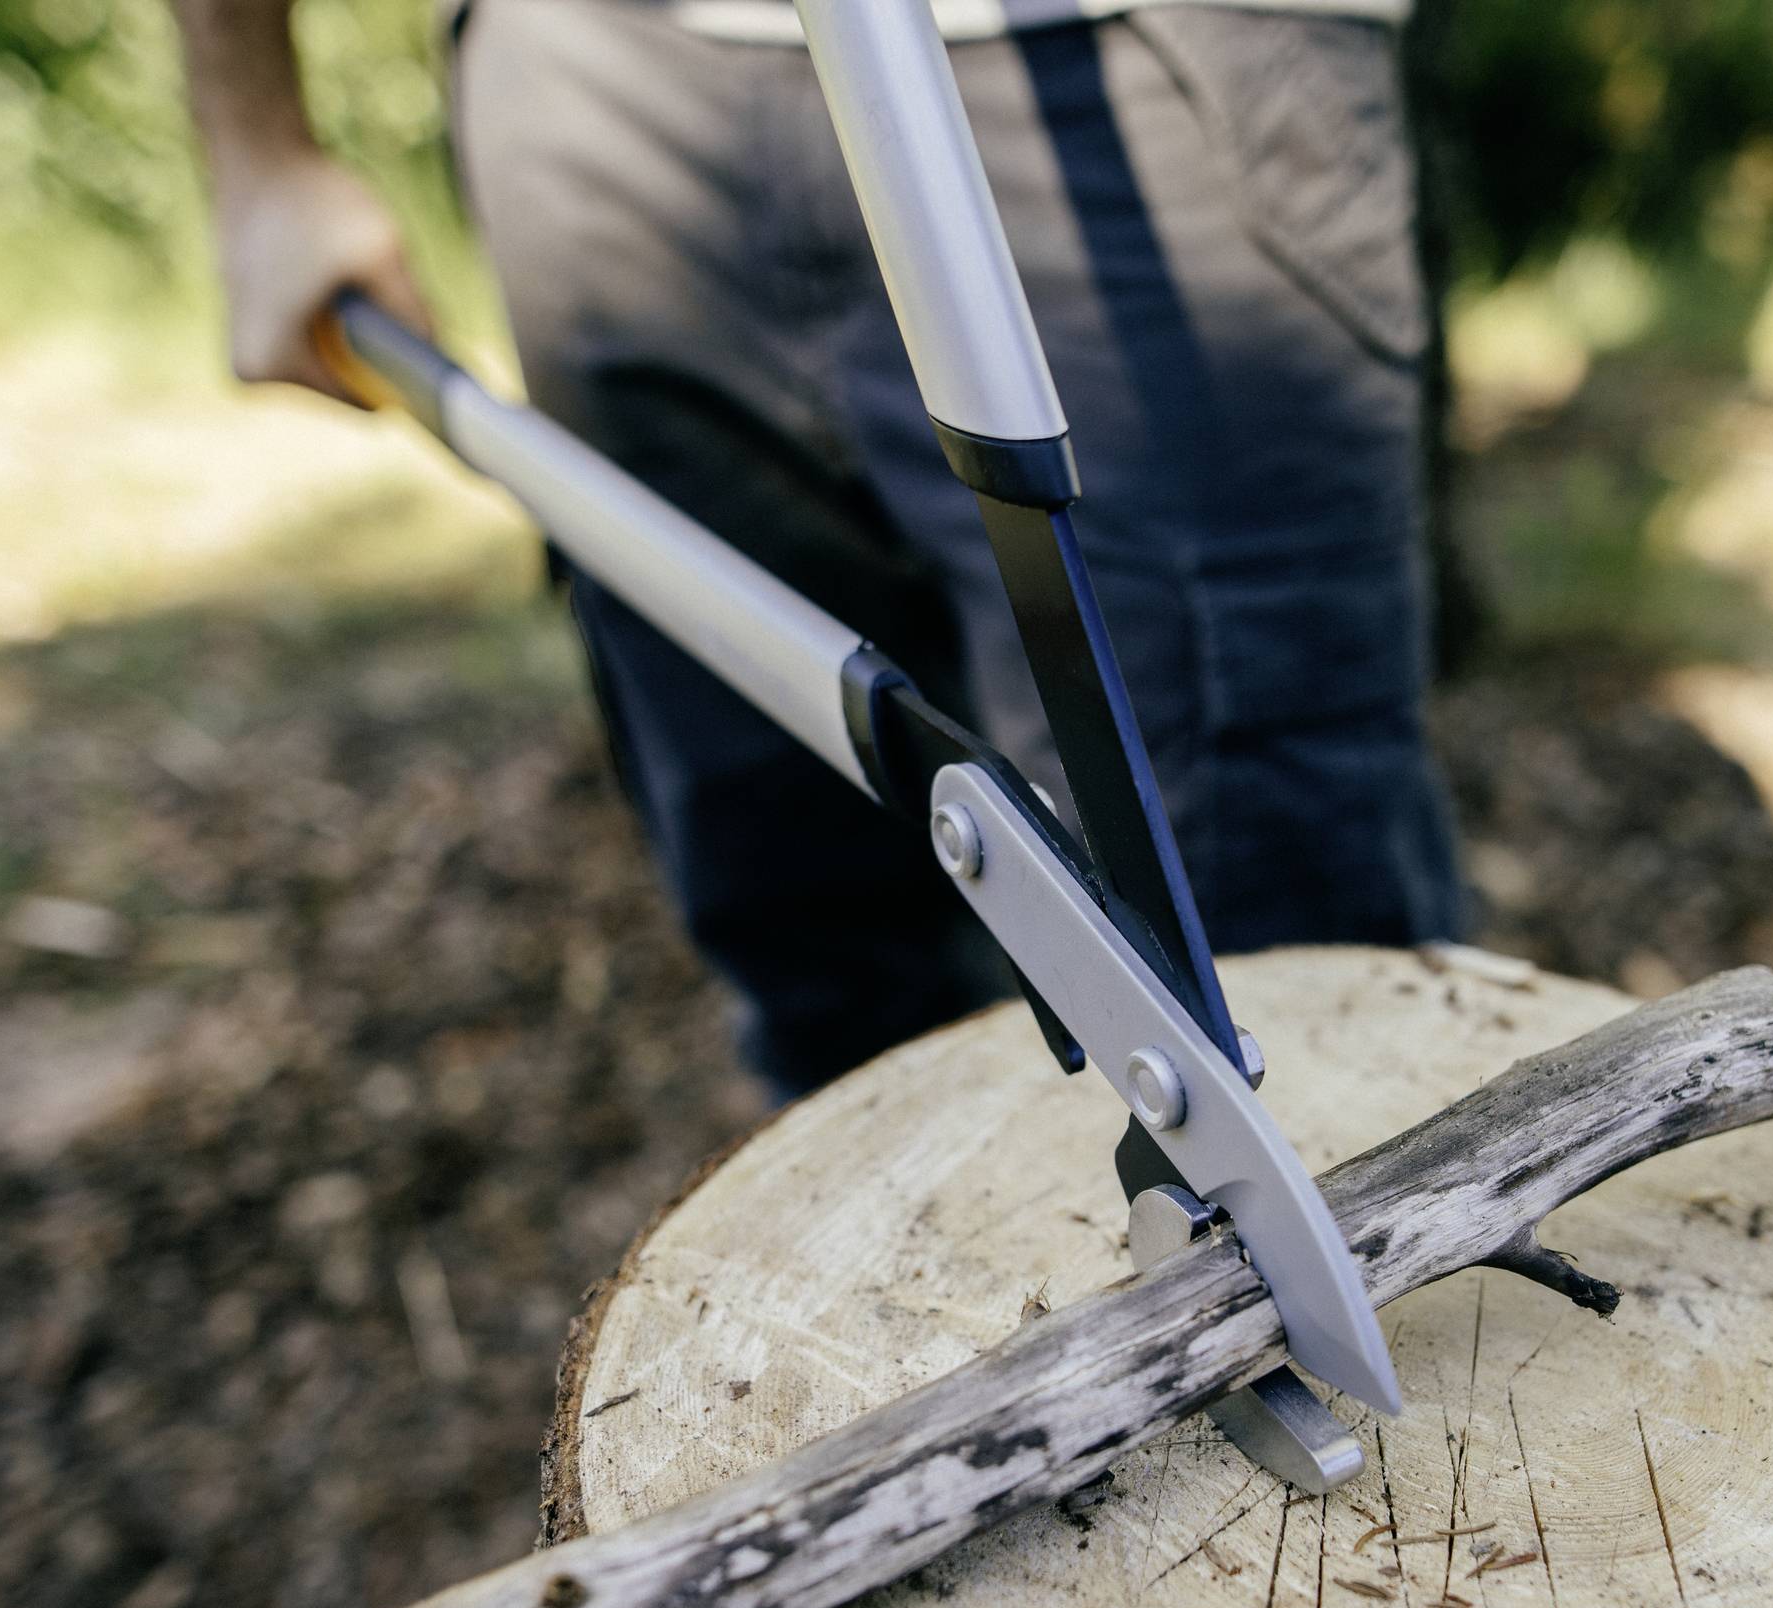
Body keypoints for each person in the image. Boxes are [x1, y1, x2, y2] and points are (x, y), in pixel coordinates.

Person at [173, 0, 1467, 1097]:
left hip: (1135, 59)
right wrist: (256, 140)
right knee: (815, 954)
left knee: (1281, 985)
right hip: (594, 79)